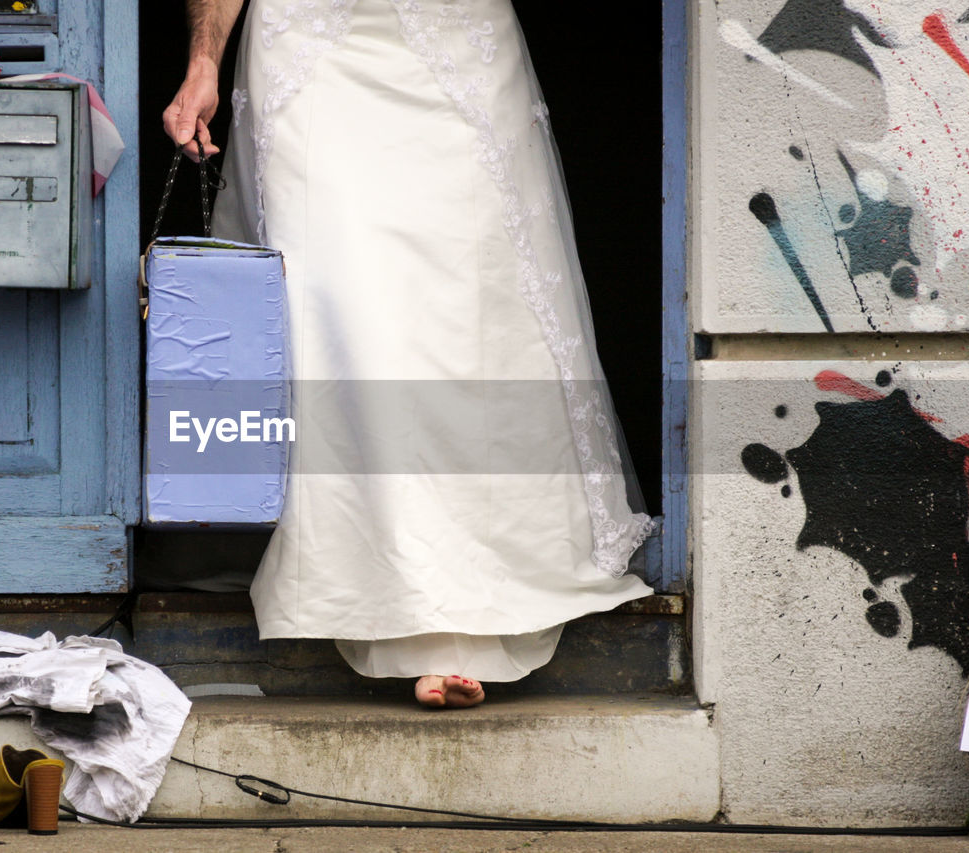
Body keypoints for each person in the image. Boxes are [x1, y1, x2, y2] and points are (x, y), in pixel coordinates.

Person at [163, 0, 655, 708]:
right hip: (311, 49)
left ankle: (459, 618)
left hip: (455, 39)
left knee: (466, 315)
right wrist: (204, 58)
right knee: (343, 316)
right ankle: (419, 623)